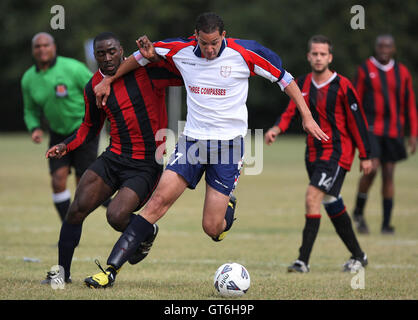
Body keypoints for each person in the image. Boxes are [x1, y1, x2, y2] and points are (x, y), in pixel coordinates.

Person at [92, 12, 328, 285]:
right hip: (192, 142)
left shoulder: (246, 53)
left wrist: (307, 116)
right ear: (196, 37)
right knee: (158, 202)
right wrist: (109, 79)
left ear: (223, 36)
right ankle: (110, 271)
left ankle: (227, 206)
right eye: (204, 43)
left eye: (214, 43)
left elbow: (286, 80)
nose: (209, 49)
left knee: (212, 228)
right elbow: (139, 56)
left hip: (229, 148)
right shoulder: (180, 49)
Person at [40, 32, 183, 287]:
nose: (107, 58)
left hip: (145, 165)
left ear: (122, 50)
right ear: (94, 56)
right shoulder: (93, 86)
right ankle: (61, 274)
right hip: (113, 157)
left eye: (112, 52)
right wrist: (65, 145)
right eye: (101, 54)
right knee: (76, 210)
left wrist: (158, 57)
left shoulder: (148, 71)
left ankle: (147, 231)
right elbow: (88, 127)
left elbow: (183, 76)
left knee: (116, 217)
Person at [265, 35, 372, 273]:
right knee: (331, 201)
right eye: (314, 53)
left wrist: (366, 155)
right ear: (308, 56)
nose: (318, 57)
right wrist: (276, 128)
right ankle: (358, 255)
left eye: (323, 54)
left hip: (337, 153)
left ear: (330, 57)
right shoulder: (301, 84)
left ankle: (302, 261)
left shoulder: (343, 85)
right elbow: (291, 110)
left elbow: (358, 122)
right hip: (313, 155)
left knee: (312, 197)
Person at [21, 32, 100, 223]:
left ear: (54, 47)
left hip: (83, 130)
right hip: (58, 134)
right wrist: (34, 128)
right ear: (33, 51)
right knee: (57, 181)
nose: (42, 49)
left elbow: (97, 88)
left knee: (84, 187)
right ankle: (69, 227)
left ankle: (106, 202)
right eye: (37, 46)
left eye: (46, 45)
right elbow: (30, 109)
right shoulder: (28, 79)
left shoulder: (73, 68)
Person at [351, 34, 417, 235]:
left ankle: (386, 224)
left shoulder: (402, 72)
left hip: (394, 131)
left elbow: (410, 103)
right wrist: (355, 130)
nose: (384, 49)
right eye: (380, 46)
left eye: (388, 46)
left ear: (393, 49)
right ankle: (359, 213)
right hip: (371, 129)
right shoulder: (365, 70)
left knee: (389, 174)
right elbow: (355, 101)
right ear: (376, 47)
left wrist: (413, 133)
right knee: (372, 170)